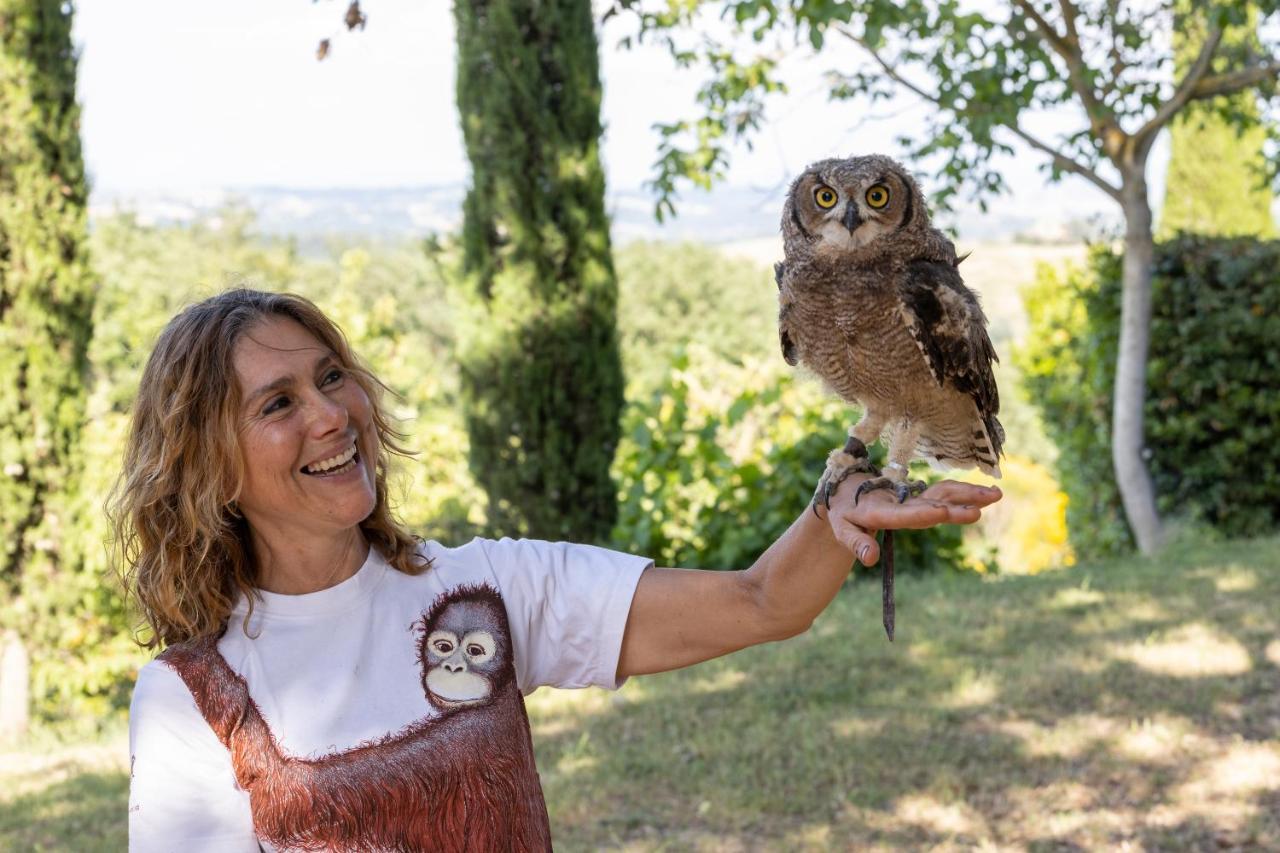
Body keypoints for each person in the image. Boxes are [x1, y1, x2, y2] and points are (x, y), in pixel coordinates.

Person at [117, 289, 1000, 851]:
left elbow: (761, 601)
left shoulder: (485, 591)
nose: (331, 414)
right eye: (278, 403)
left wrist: (832, 507)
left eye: (331, 377)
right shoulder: (191, 700)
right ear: (211, 466)